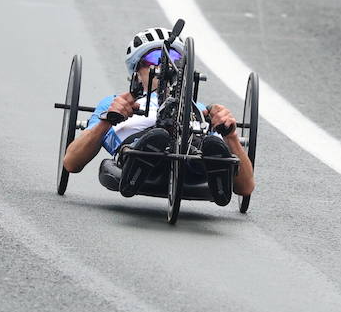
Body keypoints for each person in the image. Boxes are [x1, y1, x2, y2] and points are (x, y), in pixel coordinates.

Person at [61, 27, 255, 206]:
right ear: (137, 72)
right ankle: (140, 159)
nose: (165, 65)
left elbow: (246, 188)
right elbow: (71, 163)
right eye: (155, 58)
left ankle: (214, 165)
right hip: (138, 145)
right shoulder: (114, 103)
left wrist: (230, 136)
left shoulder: (200, 109)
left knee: (209, 146)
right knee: (155, 138)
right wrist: (108, 121)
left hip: (192, 150)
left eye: (174, 58)